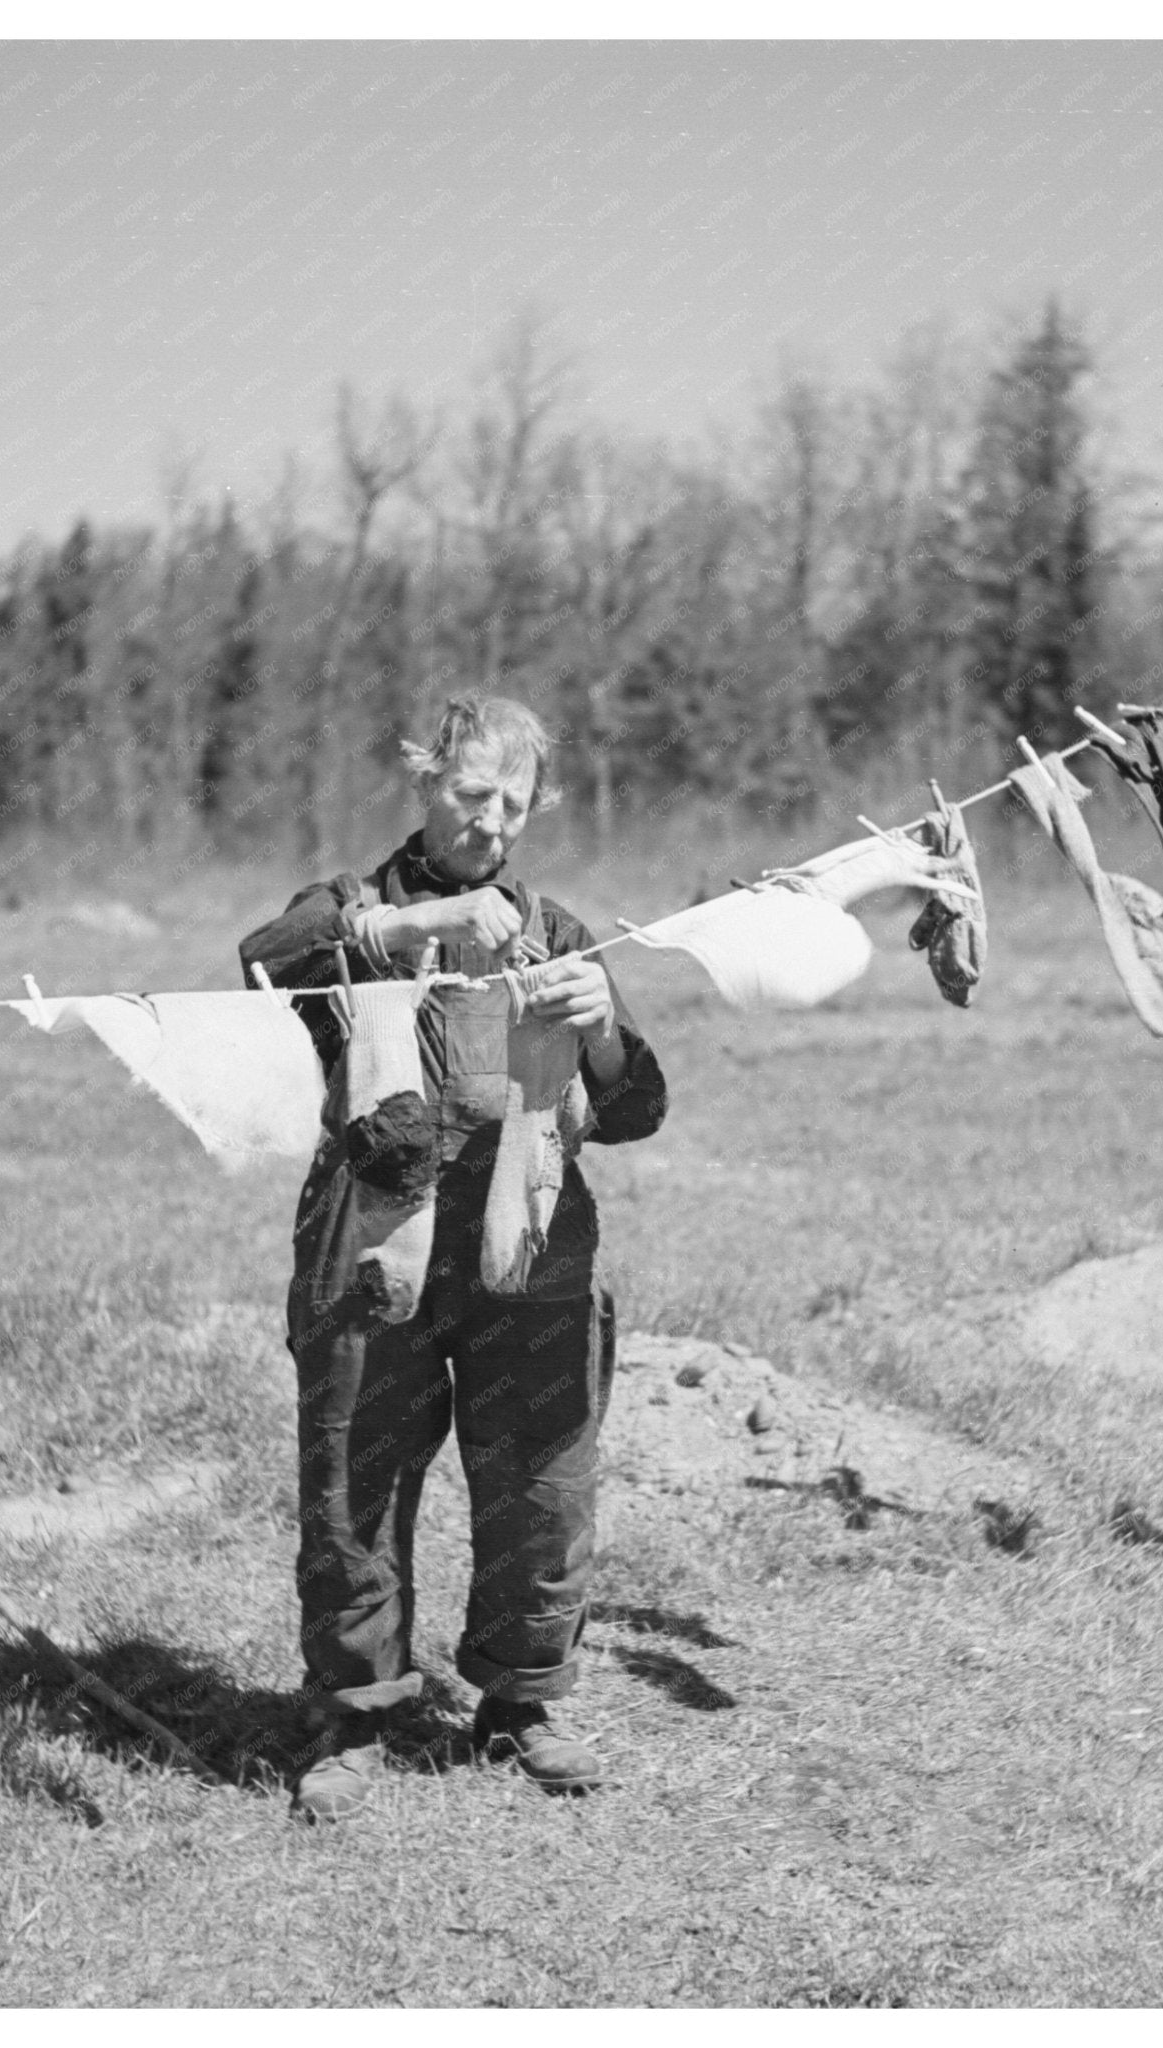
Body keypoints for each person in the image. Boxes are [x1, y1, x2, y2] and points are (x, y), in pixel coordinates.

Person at [240, 695, 668, 1822]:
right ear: (426, 781)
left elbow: (633, 1108)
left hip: (530, 1235)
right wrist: (388, 939)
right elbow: (258, 962)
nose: (487, 820)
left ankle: (519, 1701)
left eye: (510, 803)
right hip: (376, 1228)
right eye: (468, 793)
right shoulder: (348, 906)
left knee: (543, 1472)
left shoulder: (560, 930)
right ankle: (353, 1711)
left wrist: (603, 1027)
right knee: (353, 1474)